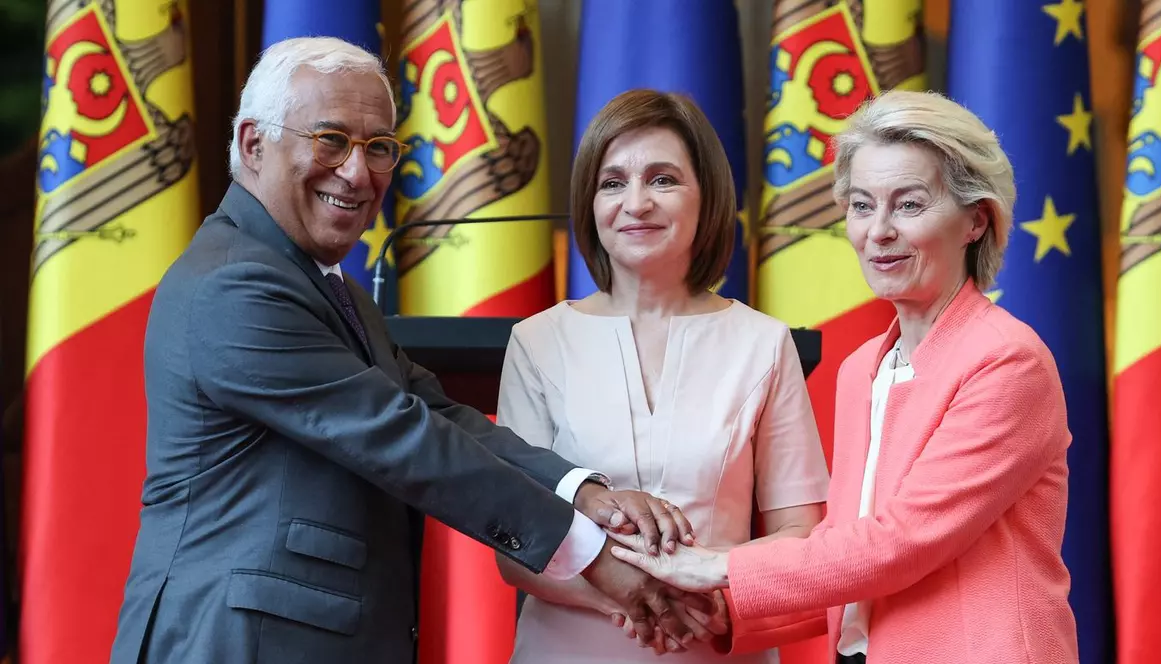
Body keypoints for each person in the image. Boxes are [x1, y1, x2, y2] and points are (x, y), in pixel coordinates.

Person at [109, 37, 705, 664]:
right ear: (254, 144)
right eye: (331, 139)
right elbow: (401, 436)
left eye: (378, 147)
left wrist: (581, 492)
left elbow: (437, 415)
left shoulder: (327, 286)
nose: (357, 172)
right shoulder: (235, 282)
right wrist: (591, 554)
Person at [609, 89, 1080, 664]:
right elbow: (845, 556)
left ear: (975, 221)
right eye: (861, 205)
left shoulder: (1007, 360)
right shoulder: (862, 368)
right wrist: (718, 609)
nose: (877, 231)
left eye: (908, 205)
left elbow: (899, 543)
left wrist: (715, 565)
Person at [494, 89, 830, 664]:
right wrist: (632, 599)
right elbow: (513, 541)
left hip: (717, 642)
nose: (636, 202)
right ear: (590, 203)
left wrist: (715, 597)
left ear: (707, 198)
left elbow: (801, 532)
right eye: (612, 182)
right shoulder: (536, 340)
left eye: (663, 179)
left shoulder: (764, 343)